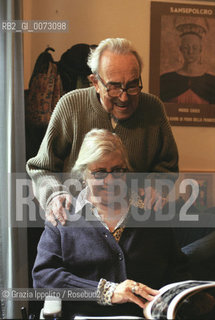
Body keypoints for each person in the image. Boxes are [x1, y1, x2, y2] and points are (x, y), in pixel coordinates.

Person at [32, 129, 189, 318]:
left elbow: (178, 269)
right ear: (83, 174)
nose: (110, 180)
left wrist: (188, 298)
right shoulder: (63, 216)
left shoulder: (151, 214)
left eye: (117, 171)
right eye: (99, 173)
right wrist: (107, 292)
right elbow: (44, 277)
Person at [26, 37, 179, 226]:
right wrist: (53, 195)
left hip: (133, 226)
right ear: (95, 83)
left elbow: (167, 166)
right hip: (77, 226)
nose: (124, 98)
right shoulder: (70, 105)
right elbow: (41, 168)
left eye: (132, 85)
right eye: (114, 88)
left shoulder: (153, 108)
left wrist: (157, 185)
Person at [160, 18, 215, 104]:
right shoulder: (165, 80)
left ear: (200, 49)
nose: (190, 52)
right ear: (180, 49)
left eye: (195, 48)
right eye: (186, 47)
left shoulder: (212, 81)